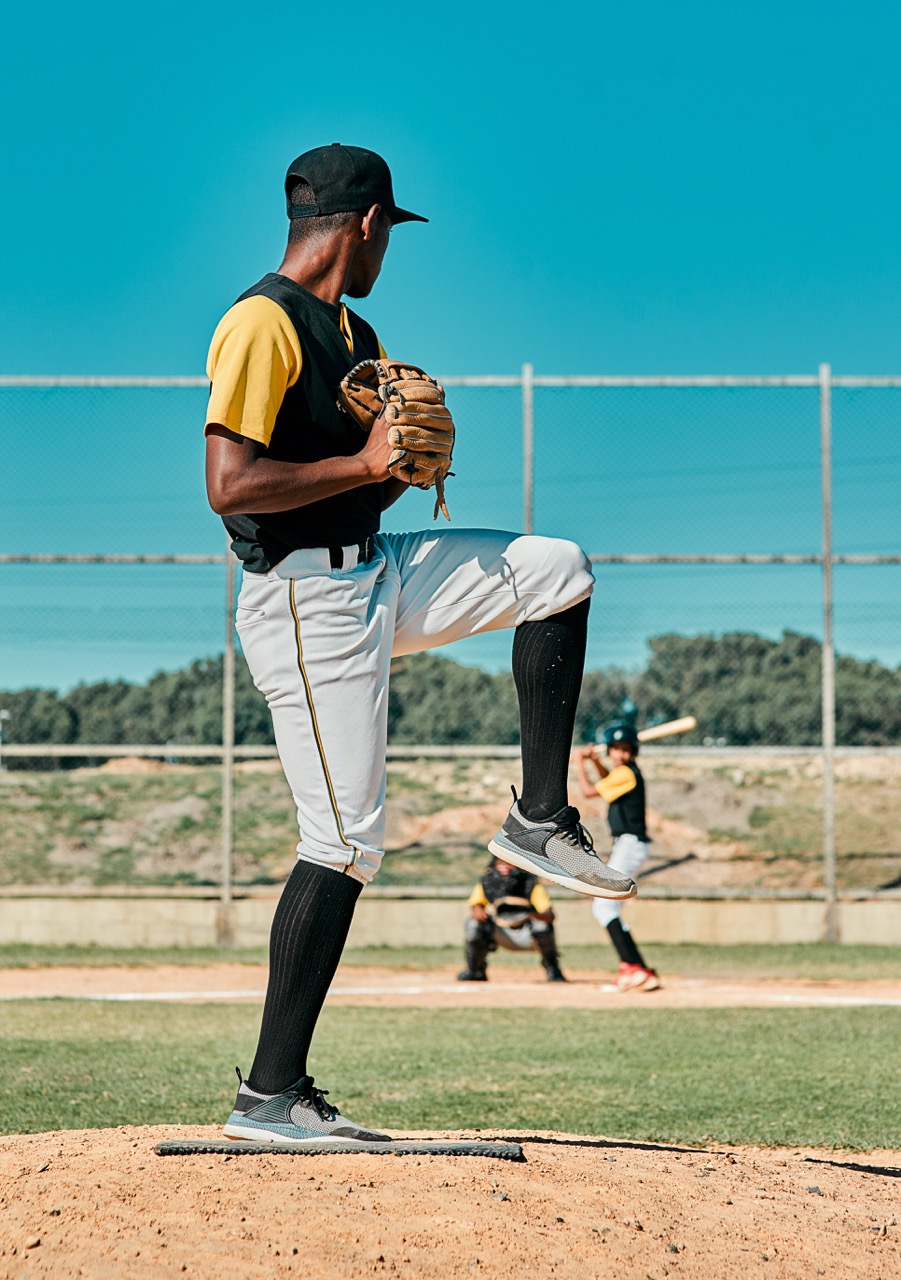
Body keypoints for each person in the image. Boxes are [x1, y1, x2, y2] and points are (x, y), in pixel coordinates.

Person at [204, 143, 637, 1147]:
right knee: (343, 840)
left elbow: (358, 481)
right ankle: (270, 1095)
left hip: (375, 569)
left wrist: (397, 470)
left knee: (556, 568)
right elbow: (229, 486)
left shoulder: (355, 332)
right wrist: (366, 460)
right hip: (303, 599)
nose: (385, 251)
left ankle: (538, 818)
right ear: (364, 225)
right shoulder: (261, 323)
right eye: (387, 233)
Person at [573, 723, 660, 991]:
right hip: (627, 844)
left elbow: (589, 791)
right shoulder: (623, 774)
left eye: (625, 750)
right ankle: (639, 969)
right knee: (609, 908)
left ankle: (632, 967)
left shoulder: (626, 773)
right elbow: (607, 780)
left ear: (633, 752)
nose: (620, 755)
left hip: (629, 844)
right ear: (610, 750)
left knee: (604, 907)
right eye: (616, 749)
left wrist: (579, 762)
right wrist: (595, 761)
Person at [458, 855, 566, 983]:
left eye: (509, 863)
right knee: (473, 924)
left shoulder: (530, 883)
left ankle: (552, 969)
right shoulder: (487, 882)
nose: (505, 867)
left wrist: (530, 914)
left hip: (527, 933)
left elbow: (549, 915)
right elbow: (476, 905)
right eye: (500, 863)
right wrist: (478, 910)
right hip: (500, 931)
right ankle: (475, 971)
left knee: (541, 925)